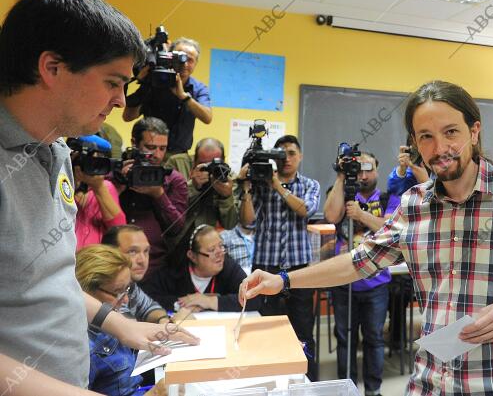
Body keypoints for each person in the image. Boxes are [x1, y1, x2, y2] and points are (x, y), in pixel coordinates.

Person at [240, 81, 493, 395]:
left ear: (474, 131)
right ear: (415, 143)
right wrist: (282, 280)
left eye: (451, 133)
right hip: (431, 380)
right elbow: (360, 262)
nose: (440, 148)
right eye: (426, 136)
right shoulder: (413, 204)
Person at [0, 0, 198, 394]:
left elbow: (49, 281)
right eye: (112, 82)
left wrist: (122, 325)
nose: (119, 100)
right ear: (52, 68)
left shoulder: (57, 150)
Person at [238, 134, 321, 381]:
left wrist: (277, 186)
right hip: (266, 266)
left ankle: (307, 385)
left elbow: (306, 210)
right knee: (265, 330)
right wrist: (245, 187)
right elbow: (247, 220)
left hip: (299, 269)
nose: (287, 158)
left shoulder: (309, 184)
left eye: (292, 153)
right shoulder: (261, 184)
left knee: (303, 330)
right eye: (281, 153)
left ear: (300, 156)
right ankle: (268, 382)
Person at [323, 152, 390, 396]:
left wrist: (361, 215)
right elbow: (331, 216)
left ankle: (373, 390)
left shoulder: (387, 196)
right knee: (344, 338)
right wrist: (341, 177)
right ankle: (346, 389)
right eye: (357, 169)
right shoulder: (340, 191)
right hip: (344, 281)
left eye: (368, 168)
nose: (363, 175)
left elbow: (390, 228)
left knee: (374, 338)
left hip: (376, 282)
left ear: (377, 169)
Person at [117, 117, 188, 274]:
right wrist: (118, 185)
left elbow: (176, 228)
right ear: (134, 143)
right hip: (114, 262)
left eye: (163, 148)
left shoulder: (173, 179)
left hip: (153, 268)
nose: (157, 154)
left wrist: (159, 194)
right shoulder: (118, 173)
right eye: (150, 147)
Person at [75, 244, 148, 395]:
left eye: (127, 289)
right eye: (117, 292)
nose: (126, 300)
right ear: (86, 291)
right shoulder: (82, 349)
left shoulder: (117, 314)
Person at [123, 37, 212, 155]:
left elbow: (207, 117)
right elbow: (128, 117)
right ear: (169, 57)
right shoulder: (154, 81)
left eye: (190, 60)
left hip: (179, 156)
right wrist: (144, 84)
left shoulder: (198, 89)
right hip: (149, 152)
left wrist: (184, 97)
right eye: (179, 58)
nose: (184, 63)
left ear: (196, 63)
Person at [141, 225, 259, 312]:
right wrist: (180, 304)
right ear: (192, 256)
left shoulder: (228, 267)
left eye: (221, 246)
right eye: (211, 250)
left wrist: (209, 301)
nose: (220, 253)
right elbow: (145, 297)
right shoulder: (174, 271)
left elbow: (253, 298)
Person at [166, 137, 238, 265]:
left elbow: (230, 224)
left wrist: (226, 197)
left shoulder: (226, 176)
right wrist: (193, 186)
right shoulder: (177, 164)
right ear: (194, 160)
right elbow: (165, 205)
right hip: (173, 243)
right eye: (204, 165)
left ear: (223, 160)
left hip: (204, 252)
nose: (210, 170)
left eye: (213, 164)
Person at [101, 225, 193, 324]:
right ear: (109, 254)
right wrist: (170, 323)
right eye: (132, 252)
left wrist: (163, 320)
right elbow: (129, 329)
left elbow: (150, 308)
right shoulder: (105, 287)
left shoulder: (130, 284)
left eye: (146, 251)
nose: (142, 260)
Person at [72, 134, 126, 249]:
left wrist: (98, 187)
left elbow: (119, 229)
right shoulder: (59, 183)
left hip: (96, 262)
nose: (90, 164)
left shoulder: (105, 186)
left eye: (95, 160)